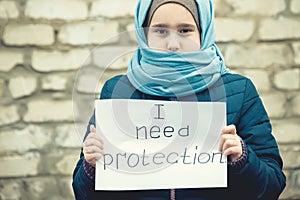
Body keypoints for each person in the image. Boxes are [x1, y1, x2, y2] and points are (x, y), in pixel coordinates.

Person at [72, 0, 286, 199]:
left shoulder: (239, 91)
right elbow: (83, 193)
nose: (173, 44)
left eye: (185, 30)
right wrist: (91, 167)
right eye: (160, 31)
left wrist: (242, 158)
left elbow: (272, 185)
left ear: (203, 32)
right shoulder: (117, 91)